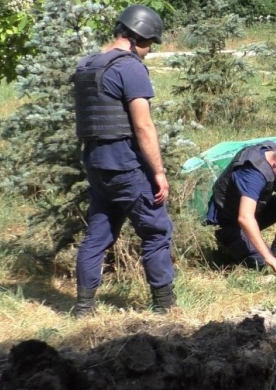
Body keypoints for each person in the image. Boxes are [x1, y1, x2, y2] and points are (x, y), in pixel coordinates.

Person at [71, 4, 176, 316]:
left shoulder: (87, 64)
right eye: (148, 44)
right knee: (156, 231)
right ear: (137, 38)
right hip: (125, 163)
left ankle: (83, 308)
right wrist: (158, 172)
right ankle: (165, 307)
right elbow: (143, 126)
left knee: (98, 234)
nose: (147, 51)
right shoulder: (129, 67)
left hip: (95, 162)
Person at [205, 142, 276, 274]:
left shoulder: (272, 152)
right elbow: (245, 218)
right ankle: (224, 252)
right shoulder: (253, 174)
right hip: (225, 224)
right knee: (262, 263)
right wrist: (268, 257)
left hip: (250, 212)